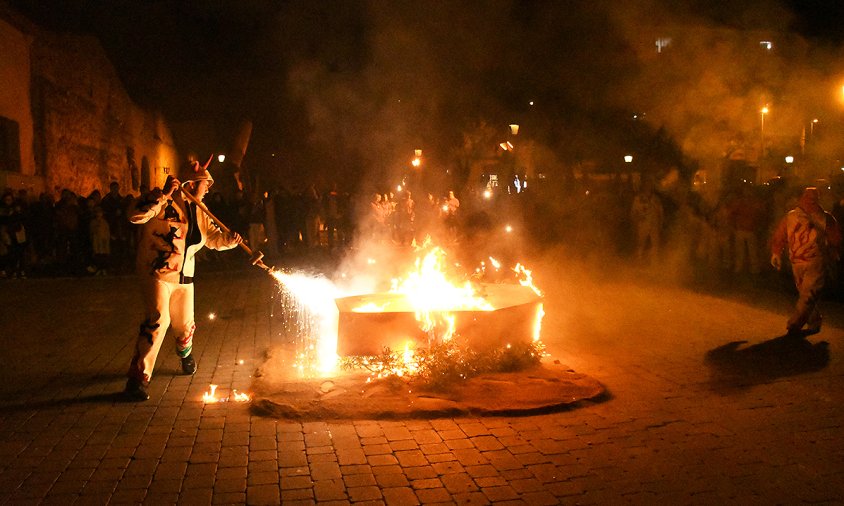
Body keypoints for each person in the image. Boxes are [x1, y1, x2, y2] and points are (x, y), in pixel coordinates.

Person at [124, 157, 242, 401]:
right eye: (204, 184)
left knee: (184, 325)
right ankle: (137, 379)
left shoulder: (200, 212)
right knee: (158, 320)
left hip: (185, 278)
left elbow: (211, 238)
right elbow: (135, 215)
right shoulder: (162, 202)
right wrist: (164, 194)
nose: (208, 189)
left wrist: (229, 241)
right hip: (157, 274)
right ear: (189, 185)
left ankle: (185, 353)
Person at [770, 187, 842, 336]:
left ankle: (794, 324)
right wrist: (776, 252)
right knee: (807, 294)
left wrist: (834, 252)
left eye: (812, 198)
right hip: (797, 262)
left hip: (816, 261)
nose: (810, 201)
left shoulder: (825, 218)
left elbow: (835, 238)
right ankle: (814, 321)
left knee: (808, 294)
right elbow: (781, 234)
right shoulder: (792, 216)